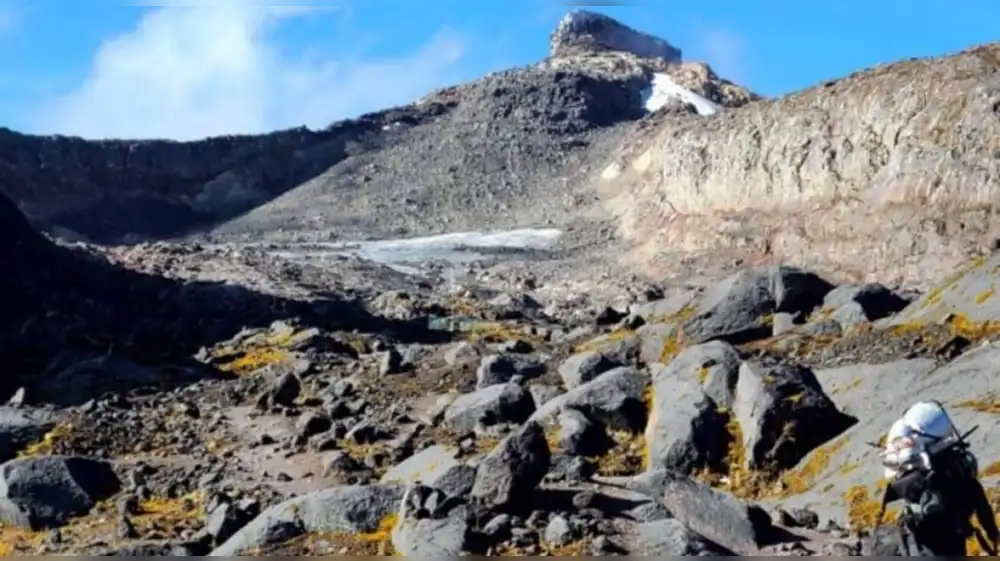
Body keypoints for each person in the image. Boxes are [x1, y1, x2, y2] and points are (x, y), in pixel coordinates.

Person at [873, 400, 998, 556]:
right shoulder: (959, 466)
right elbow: (980, 502)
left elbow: (894, 486)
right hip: (955, 536)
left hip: (932, 546)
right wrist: (992, 535)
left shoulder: (916, 482)